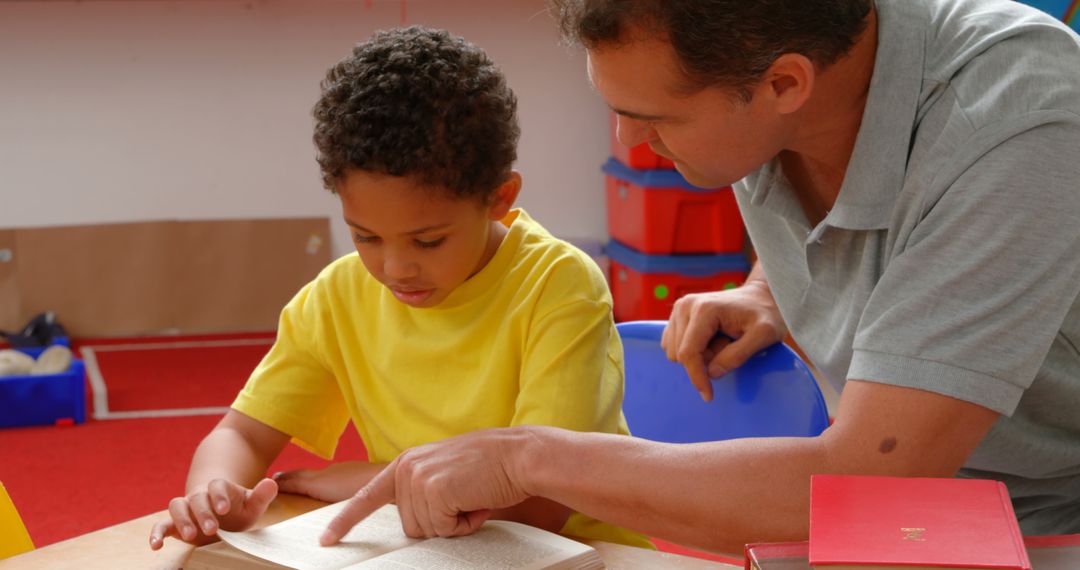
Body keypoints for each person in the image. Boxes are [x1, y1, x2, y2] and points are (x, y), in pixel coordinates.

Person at [320, 0, 1080, 553]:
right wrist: (767, 288)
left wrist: (526, 458)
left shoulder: (1017, 124)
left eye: (657, 118)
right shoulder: (777, 80)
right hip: (910, 510)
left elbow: (871, 478)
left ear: (785, 85)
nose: (630, 140)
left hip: (1038, 519)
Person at [148, 25, 649, 551]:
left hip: (585, 554)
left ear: (499, 198)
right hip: (428, 547)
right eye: (365, 236)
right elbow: (243, 434)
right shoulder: (338, 297)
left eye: (428, 241)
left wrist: (375, 482)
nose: (394, 269)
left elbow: (540, 504)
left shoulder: (559, 285)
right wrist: (212, 494)